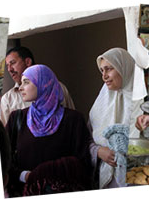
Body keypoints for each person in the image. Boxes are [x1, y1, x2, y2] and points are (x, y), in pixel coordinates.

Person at [6, 64, 92, 196]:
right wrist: (24, 176)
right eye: (21, 83)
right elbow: (4, 159)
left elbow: (83, 164)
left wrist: (46, 174)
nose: (21, 87)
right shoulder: (16, 119)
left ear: (44, 84)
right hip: (24, 191)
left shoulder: (74, 120)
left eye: (26, 82)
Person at [88, 48, 144, 188]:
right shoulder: (103, 98)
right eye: (102, 70)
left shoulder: (139, 100)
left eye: (109, 69)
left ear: (123, 67)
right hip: (107, 176)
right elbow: (87, 138)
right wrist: (99, 151)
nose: (104, 76)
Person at [0, 46, 76, 125]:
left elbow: (72, 121)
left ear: (28, 62)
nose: (9, 69)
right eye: (7, 66)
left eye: (12, 63)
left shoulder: (58, 88)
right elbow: (5, 134)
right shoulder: (7, 99)